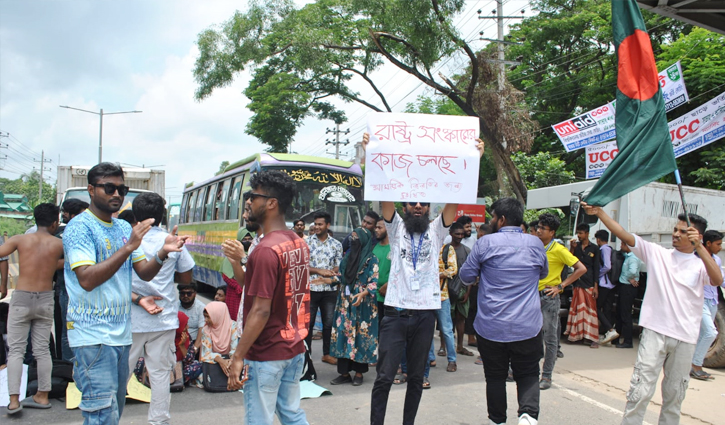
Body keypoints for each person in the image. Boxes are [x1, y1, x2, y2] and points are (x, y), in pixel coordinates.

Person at [366, 132, 485, 425]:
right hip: (395, 312)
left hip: (424, 315)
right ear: (405, 208)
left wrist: (473, 160)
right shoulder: (396, 230)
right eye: (412, 203)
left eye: (423, 203)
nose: (418, 206)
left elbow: (455, 199)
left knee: (417, 378)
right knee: (384, 376)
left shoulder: (437, 231)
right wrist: (374, 155)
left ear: (429, 208)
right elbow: (385, 196)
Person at [63, 163, 188, 425]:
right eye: (109, 188)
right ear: (91, 189)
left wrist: (163, 253)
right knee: (101, 415)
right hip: (92, 337)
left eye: (122, 189)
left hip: (121, 336)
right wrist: (129, 247)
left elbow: (144, 272)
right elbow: (86, 279)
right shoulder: (80, 227)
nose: (117, 194)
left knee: (113, 412)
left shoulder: (121, 228)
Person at [580, 204, 722, 425]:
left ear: (697, 236)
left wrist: (701, 248)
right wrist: (600, 214)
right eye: (676, 229)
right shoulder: (657, 253)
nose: (676, 234)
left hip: (685, 338)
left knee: (674, 396)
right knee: (640, 392)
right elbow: (623, 234)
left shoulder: (702, 264)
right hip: (655, 333)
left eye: (683, 231)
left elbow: (717, 280)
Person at [226, 170, 310, 425]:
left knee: (258, 419)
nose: (249, 202)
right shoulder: (297, 242)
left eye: (253, 196)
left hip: (267, 354)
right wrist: (238, 262)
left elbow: (260, 310)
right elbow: (258, 289)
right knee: (291, 414)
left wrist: (238, 356)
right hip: (294, 348)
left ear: (272, 203)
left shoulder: (264, 250)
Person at [459, 198, 547, 425]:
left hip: (492, 327)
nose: (491, 220)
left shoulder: (484, 244)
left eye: (493, 216)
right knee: (528, 373)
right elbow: (543, 274)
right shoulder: (536, 243)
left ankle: (497, 420)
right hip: (528, 325)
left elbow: (466, 276)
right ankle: (528, 416)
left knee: (495, 377)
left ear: (502, 219)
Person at [128, 192, 195, 425]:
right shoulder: (171, 239)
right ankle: (159, 422)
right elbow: (186, 277)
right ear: (163, 215)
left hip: (131, 319)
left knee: (121, 374)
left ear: (135, 215)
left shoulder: (128, 239)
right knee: (159, 375)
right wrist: (168, 266)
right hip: (163, 318)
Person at [3, 203, 64, 414]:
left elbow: (1, 254)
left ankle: (13, 400)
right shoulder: (58, 244)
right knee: (42, 350)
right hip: (45, 298)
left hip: (21, 298)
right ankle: (42, 395)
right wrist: (49, 264)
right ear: (55, 222)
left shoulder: (20, 239)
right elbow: (74, 262)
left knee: (16, 351)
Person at [535, 213, 586, 390]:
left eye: (543, 228)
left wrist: (561, 286)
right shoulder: (534, 246)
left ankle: (547, 376)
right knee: (530, 336)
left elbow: (581, 268)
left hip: (548, 297)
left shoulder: (558, 249)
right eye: (539, 227)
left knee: (550, 339)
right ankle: (530, 372)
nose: (539, 231)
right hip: (532, 296)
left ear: (552, 232)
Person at [329, 227, 379, 386]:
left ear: (364, 241)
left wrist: (363, 294)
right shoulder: (347, 257)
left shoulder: (372, 259)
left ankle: (359, 373)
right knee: (343, 335)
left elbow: (373, 283)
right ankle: (344, 373)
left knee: (360, 336)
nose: (353, 241)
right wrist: (331, 278)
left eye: (356, 238)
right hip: (344, 303)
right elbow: (343, 278)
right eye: (352, 237)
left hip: (362, 305)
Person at [53, 198, 90, 361]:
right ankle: (69, 369)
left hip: (88, 289)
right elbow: (52, 263)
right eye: (81, 214)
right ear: (69, 215)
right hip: (67, 290)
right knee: (68, 331)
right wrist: (76, 262)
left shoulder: (89, 232)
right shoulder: (61, 235)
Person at [306, 211, 343, 365]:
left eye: (320, 224)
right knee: (308, 324)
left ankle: (327, 354)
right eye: (315, 224)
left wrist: (331, 273)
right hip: (311, 289)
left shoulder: (336, 244)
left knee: (329, 323)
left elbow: (338, 266)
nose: (317, 227)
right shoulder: (306, 243)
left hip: (329, 290)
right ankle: (306, 355)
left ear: (328, 225)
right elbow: (301, 266)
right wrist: (318, 271)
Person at [691, 229, 724, 380]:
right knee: (711, 333)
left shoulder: (716, 260)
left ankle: (690, 364)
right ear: (708, 243)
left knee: (702, 334)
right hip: (700, 300)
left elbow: (720, 279)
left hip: (713, 302)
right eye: (718, 244)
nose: (721, 247)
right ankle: (696, 365)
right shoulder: (695, 259)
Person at [566, 223, 601, 348]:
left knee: (590, 311)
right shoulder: (577, 247)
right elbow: (570, 261)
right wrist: (572, 248)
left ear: (587, 233)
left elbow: (597, 268)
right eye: (578, 233)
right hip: (578, 282)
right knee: (577, 310)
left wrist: (596, 286)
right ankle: (576, 335)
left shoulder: (595, 249)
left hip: (589, 283)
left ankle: (592, 338)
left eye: (581, 233)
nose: (579, 236)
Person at [436, 223, 463, 372]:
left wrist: (437, 275)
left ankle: (452, 360)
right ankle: (430, 359)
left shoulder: (447, 249)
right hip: (425, 297)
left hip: (442, 295)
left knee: (447, 329)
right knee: (425, 330)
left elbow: (453, 269)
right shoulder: (424, 248)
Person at [220, 227, 256, 320]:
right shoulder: (233, 255)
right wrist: (238, 287)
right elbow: (226, 275)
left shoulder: (254, 253)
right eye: (244, 239)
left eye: (250, 239)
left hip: (249, 293)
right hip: (234, 294)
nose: (247, 241)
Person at [467, 222, 492, 353]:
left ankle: (477, 339)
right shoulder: (494, 247)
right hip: (483, 286)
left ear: (481, 234)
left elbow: (467, 273)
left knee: (476, 312)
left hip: (480, 285)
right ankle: (473, 337)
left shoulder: (480, 246)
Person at [615, 241, 643, 349]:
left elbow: (632, 270)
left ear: (628, 246)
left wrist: (630, 278)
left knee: (625, 314)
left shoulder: (633, 258)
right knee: (621, 312)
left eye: (622, 244)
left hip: (627, 287)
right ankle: (619, 338)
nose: (621, 246)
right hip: (625, 286)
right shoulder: (628, 256)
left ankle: (628, 341)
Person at [595, 229, 619, 345]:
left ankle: (610, 329)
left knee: (596, 308)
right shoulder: (609, 248)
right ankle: (609, 335)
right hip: (610, 284)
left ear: (598, 239)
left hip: (604, 283)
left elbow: (607, 266)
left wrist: (598, 274)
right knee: (607, 308)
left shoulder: (603, 249)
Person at [200, 302, 239, 373]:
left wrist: (229, 363)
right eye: (204, 316)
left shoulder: (233, 327)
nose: (205, 320)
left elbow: (235, 350)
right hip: (214, 362)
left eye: (208, 317)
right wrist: (221, 361)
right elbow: (206, 353)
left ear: (218, 315)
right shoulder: (206, 330)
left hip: (230, 362)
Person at [373, 218, 391, 326]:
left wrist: (389, 284)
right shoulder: (374, 247)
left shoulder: (395, 247)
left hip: (389, 296)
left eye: (379, 227)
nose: (376, 230)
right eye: (376, 227)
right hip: (374, 295)